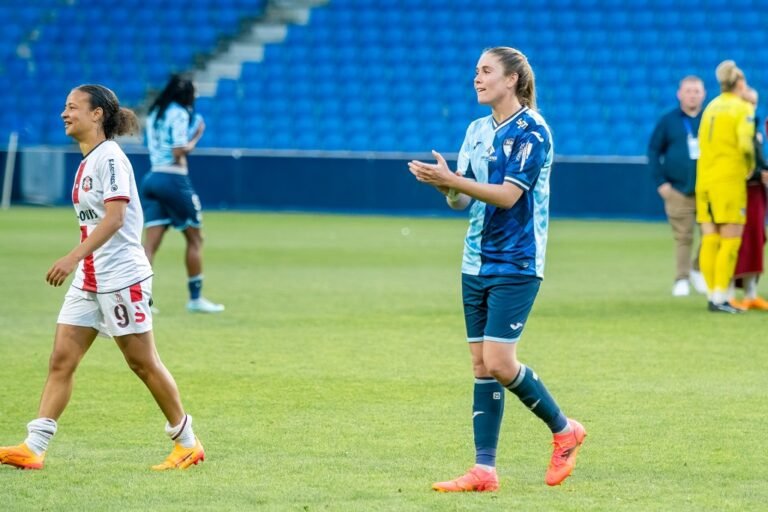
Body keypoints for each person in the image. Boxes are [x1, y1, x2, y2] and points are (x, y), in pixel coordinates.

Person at [408, 47, 585, 492]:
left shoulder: (533, 131)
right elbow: (464, 199)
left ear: (512, 80)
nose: (477, 78)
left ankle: (565, 430)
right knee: (481, 365)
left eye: (486, 71)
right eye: (475, 71)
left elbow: (507, 196)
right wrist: (446, 187)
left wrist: (453, 181)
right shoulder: (476, 130)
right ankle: (484, 470)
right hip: (475, 260)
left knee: (500, 361)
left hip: (518, 261)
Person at [0, 85, 204, 470]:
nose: (65, 113)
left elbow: (115, 218)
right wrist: (81, 263)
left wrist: (71, 257)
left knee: (143, 363)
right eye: (64, 107)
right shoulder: (88, 160)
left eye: (72, 107)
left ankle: (187, 442)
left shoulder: (109, 158)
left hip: (122, 278)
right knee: (61, 359)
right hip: (91, 278)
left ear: (97, 115)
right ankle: (34, 447)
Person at [142, 74, 224, 314]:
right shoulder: (179, 112)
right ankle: (195, 298)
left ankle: (141, 301)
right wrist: (197, 133)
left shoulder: (155, 113)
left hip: (152, 177)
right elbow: (179, 151)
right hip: (173, 178)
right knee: (196, 239)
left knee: (150, 245)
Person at [696, 60, 756, 313]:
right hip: (729, 180)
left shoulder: (710, 106)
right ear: (739, 83)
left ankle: (712, 294)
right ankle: (721, 298)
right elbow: (744, 144)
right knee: (730, 242)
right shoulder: (742, 108)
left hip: (705, 180)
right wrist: (750, 166)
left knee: (710, 239)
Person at [648, 76, 708, 296]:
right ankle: (682, 278)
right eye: (688, 90)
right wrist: (661, 182)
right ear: (679, 94)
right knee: (684, 236)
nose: (693, 94)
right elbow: (654, 151)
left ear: (704, 94)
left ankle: (698, 269)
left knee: (712, 234)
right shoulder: (668, 120)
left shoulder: (710, 118)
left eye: (697, 91)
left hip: (708, 188)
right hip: (678, 189)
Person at [729, 87, 768, 310]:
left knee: (756, 240)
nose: (751, 108)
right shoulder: (734, 131)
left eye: (754, 104)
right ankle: (729, 292)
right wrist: (757, 173)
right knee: (737, 242)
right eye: (747, 103)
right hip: (738, 191)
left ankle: (752, 292)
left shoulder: (756, 130)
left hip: (757, 193)